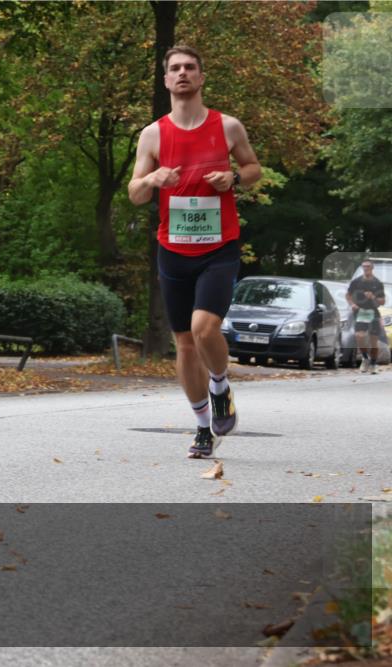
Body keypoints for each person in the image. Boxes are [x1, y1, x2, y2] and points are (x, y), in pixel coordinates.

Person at [127, 45, 262, 459]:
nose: (182, 73)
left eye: (190, 68)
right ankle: (203, 426)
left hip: (219, 246)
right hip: (173, 249)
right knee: (185, 342)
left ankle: (220, 387)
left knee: (205, 328)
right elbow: (134, 194)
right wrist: (153, 177)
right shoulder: (152, 134)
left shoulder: (228, 127)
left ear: (201, 78)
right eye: (175, 69)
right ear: (166, 80)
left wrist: (234, 178)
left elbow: (254, 170)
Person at [347, 260, 386, 374]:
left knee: (374, 340)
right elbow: (348, 295)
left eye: (368, 266)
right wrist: (352, 304)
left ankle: (373, 363)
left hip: (373, 312)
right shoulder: (356, 281)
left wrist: (373, 297)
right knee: (359, 336)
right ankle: (365, 358)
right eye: (364, 266)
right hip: (361, 312)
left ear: (372, 267)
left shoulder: (377, 283)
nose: (366, 268)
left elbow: (382, 301)